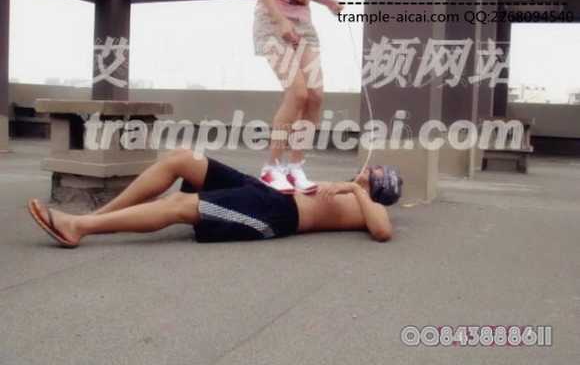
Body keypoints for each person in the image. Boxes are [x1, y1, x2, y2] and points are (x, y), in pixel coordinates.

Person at [27, 150, 403, 248]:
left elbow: (383, 231)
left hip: (275, 213)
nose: (366, 171)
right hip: (264, 190)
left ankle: (79, 227)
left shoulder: (367, 205)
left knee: (178, 206)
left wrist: (356, 189)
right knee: (182, 159)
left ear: (378, 188)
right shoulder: (353, 190)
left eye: (372, 174)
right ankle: (103, 215)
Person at [253, 0, 343, 194]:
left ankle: (295, 167)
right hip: (272, 21)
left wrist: (328, 2)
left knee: (315, 95)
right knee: (297, 93)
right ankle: (271, 167)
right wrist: (280, 20)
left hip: (303, 25)